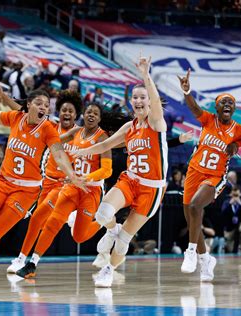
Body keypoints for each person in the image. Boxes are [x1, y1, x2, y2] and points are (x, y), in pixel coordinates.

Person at [0, 87, 86, 285]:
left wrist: (72, 176)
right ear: (29, 105)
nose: (43, 108)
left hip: (26, 191)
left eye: (47, 106)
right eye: (39, 103)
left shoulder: (48, 129)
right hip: (3, 181)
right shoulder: (16, 118)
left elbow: (58, 154)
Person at [68, 56, 167, 288]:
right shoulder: (129, 128)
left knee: (124, 242)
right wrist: (80, 153)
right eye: (135, 98)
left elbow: (154, 99)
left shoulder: (156, 123)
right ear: (131, 102)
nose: (139, 101)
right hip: (130, 181)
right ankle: (112, 230)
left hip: (151, 190)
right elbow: (105, 145)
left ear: (150, 102)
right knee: (102, 214)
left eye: (143, 97)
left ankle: (108, 269)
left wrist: (145, 74)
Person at [177, 68, 241, 282]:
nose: (228, 105)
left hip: (215, 176)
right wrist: (187, 91)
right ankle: (206, 260)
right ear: (216, 107)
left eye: (231, 103)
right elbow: (194, 108)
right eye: (224, 102)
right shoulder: (208, 120)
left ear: (234, 109)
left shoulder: (239, 130)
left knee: (196, 207)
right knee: (192, 218)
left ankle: (191, 252)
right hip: (194, 171)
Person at [16, 103, 111, 279]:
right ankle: (32, 263)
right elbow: (56, 142)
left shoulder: (102, 138)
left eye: (95, 113)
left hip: (91, 191)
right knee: (53, 222)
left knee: (79, 237)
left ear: (99, 118)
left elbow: (107, 171)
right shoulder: (75, 133)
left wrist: (86, 178)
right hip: (73, 187)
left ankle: (105, 221)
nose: (91, 115)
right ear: (83, 114)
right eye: (88, 111)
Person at [5, 89, 82, 274]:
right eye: (64, 110)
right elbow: (22, 110)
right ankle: (25, 260)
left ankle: (24, 260)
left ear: (76, 114)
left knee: (41, 218)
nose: (67, 113)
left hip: (63, 184)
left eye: (71, 111)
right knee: (36, 222)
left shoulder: (79, 133)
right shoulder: (49, 126)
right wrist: (4, 97)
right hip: (45, 181)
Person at [221, 186, 241, 253]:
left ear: (240, 194)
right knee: (231, 250)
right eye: (234, 195)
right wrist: (230, 204)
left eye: (237, 195)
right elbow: (222, 212)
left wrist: (240, 204)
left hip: (240, 224)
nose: (235, 197)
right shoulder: (227, 202)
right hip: (229, 227)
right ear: (230, 194)